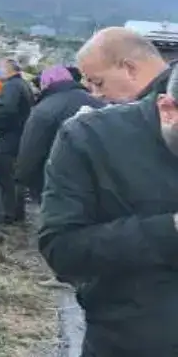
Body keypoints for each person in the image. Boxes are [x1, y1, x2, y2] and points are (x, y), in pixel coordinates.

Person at [39, 27, 178, 356]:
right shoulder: (89, 139)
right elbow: (61, 248)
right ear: (168, 109)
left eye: (97, 82)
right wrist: (168, 230)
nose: (94, 93)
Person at [15, 65, 102, 201]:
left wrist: (23, 178)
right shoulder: (98, 104)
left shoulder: (43, 110)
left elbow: (31, 150)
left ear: (45, 84)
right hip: (97, 182)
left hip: (56, 184)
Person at [0, 57, 36, 223]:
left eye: (0, 68)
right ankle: (16, 214)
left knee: (5, 178)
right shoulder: (23, 85)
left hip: (8, 140)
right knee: (14, 179)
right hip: (19, 137)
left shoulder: (11, 87)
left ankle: (8, 215)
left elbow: (6, 110)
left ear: (8, 69)